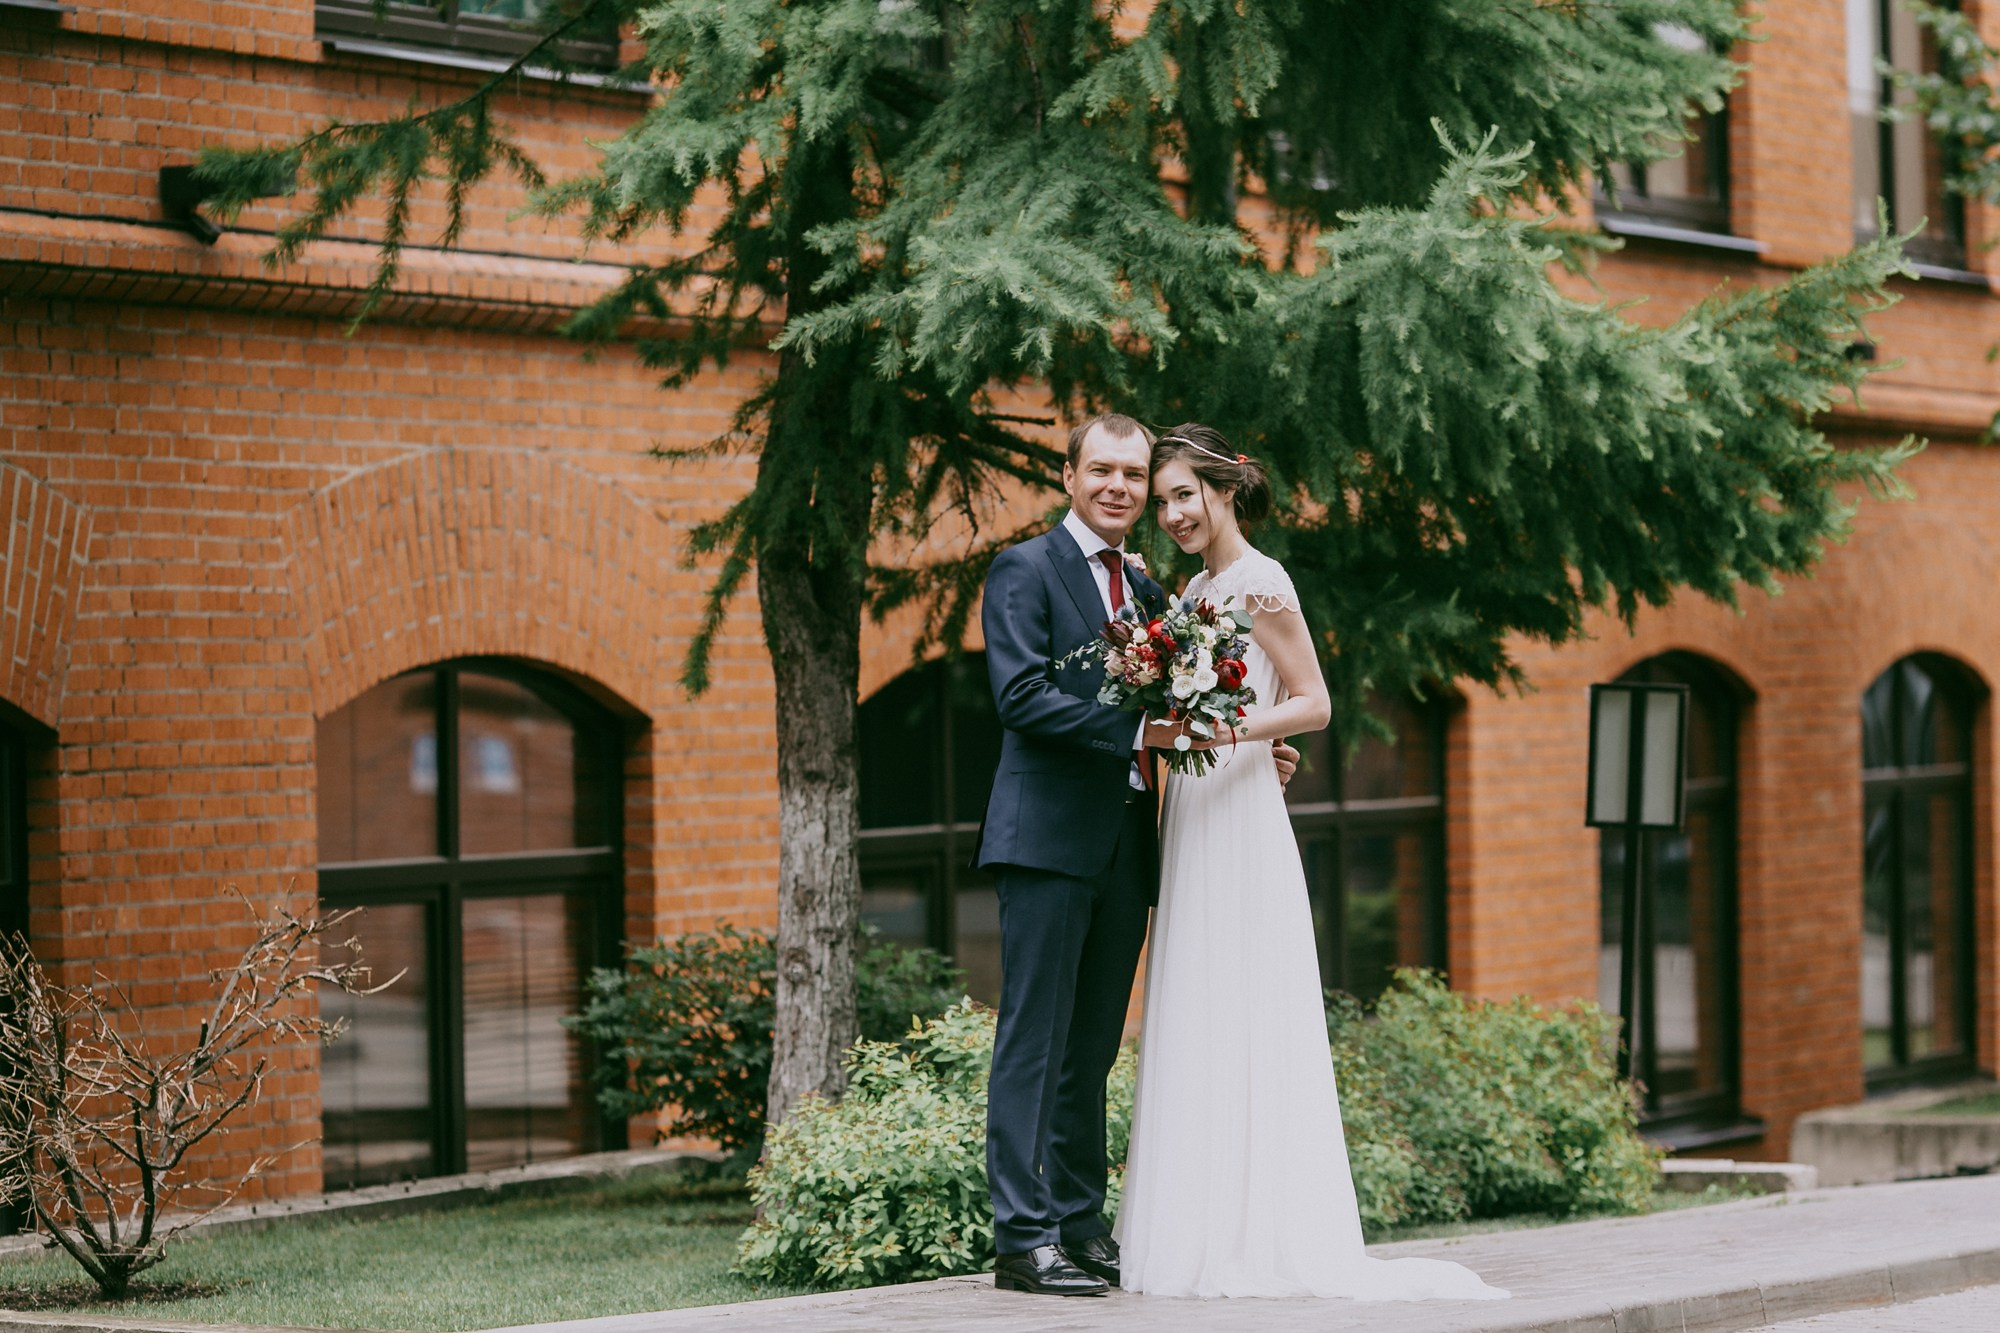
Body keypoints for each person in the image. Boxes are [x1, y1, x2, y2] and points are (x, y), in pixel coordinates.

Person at [1112, 424, 1508, 1301]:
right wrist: (1186, 727)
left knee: (1246, 995)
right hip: (1194, 803)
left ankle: (1263, 1231)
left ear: (1227, 490)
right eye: (1165, 497)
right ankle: (1196, 1227)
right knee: (1197, 996)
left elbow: (1316, 701)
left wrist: (1237, 733)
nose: (1173, 511)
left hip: (1239, 804)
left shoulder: (1260, 580)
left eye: (1188, 494)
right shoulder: (1194, 588)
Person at [974, 413, 1300, 1297]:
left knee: (1091, 1048)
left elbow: (1206, 696)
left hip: (1128, 845)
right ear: (1069, 474)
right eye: (1104, 471)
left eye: (1134, 474)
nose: (1120, 488)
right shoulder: (1025, 569)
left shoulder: (1157, 596)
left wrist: (1252, 742)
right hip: (1043, 839)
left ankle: (1079, 1224)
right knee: (1033, 1039)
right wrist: (1144, 725)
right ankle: (1022, 1236)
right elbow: (1022, 696)